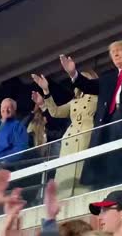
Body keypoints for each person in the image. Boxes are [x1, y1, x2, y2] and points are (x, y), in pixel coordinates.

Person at [59, 40, 122, 188]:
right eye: (112, 52)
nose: (115, 54)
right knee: (108, 158)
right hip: (108, 122)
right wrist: (73, 73)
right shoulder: (108, 79)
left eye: (119, 50)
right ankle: (110, 184)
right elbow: (88, 86)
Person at [31, 71, 98, 199]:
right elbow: (55, 112)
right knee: (64, 186)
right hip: (70, 140)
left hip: (86, 137)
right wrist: (46, 92)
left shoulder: (98, 97)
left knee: (82, 184)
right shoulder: (74, 101)